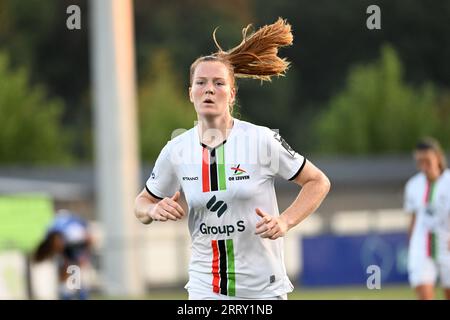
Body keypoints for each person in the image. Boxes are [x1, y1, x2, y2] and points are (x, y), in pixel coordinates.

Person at [134, 18, 330, 300]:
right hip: (206, 287)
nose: (209, 89)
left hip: (264, 289)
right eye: (200, 83)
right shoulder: (176, 150)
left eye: (218, 83)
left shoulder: (261, 140)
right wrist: (152, 211)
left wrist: (285, 221)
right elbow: (141, 203)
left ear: (232, 93)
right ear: (190, 93)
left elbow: (318, 181)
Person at [404, 137, 450, 300]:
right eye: (419, 161)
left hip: (446, 242)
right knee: (424, 293)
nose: (423, 165)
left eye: (427, 160)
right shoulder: (413, 185)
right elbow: (414, 218)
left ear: (437, 157)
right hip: (422, 245)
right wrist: (411, 242)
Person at [34, 209, 92, 300]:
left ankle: (71, 291)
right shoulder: (75, 222)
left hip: (73, 245)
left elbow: (53, 238)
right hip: (75, 244)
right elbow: (88, 236)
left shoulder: (57, 224)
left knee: (71, 269)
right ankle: (72, 291)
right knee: (72, 269)